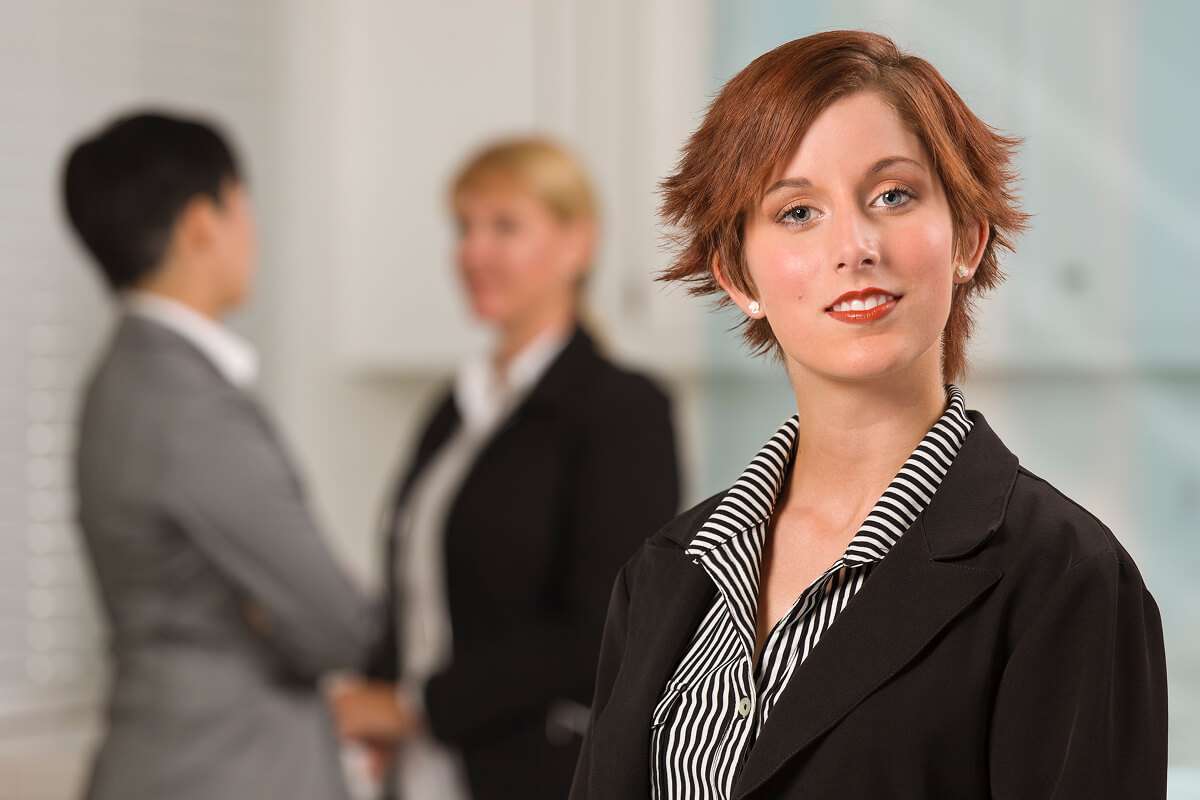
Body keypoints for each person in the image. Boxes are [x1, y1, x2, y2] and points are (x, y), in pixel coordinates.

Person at [570, 31, 1168, 799]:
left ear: (967, 237)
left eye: (893, 196)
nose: (853, 246)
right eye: (797, 211)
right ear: (738, 274)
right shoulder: (668, 571)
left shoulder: (1066, 577)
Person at [331, 137, 680, 800]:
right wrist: (378, 693)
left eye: (504, 227)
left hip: (534, 776)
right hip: (418, 775)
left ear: (578, 244)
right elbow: (416, 588)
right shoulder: (456, 407)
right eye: (464, 228)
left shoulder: (621, 410)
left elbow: (606, 627)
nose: (473, 252)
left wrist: (415, 707)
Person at [63, 111, 372, 800]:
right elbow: (336, 623)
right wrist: (285, 610)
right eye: (242, 205)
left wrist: (270, 608)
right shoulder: (187, 402)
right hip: (221, 772)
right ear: (202, 223)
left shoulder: (122, 377)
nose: (251, 231)